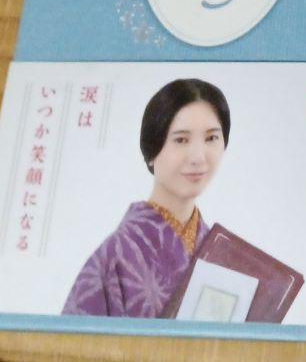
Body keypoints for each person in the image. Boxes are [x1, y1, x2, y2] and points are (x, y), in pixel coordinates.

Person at [63, 78, 229, 317]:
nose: (198, 157)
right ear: (151, 150)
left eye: (211, 138)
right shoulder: (116, 254)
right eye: (181, 140)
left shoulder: (220, 252)